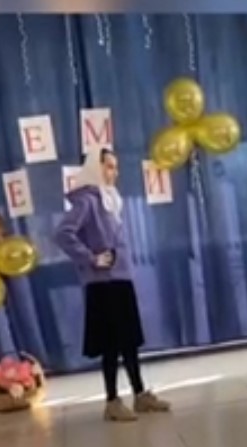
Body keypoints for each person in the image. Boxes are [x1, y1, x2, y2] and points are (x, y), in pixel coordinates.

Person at [54, 147, 171, 422]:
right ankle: (112, 401)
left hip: (120, 278)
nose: (114, 172)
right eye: (108, 166)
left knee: (128, 340)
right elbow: (63, 233)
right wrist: (91, 258)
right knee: (110, 344)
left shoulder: (110, 199)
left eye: (115, 167)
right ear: (95, 168)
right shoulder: (88, 200)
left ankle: (140, 394)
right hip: (103, 283)